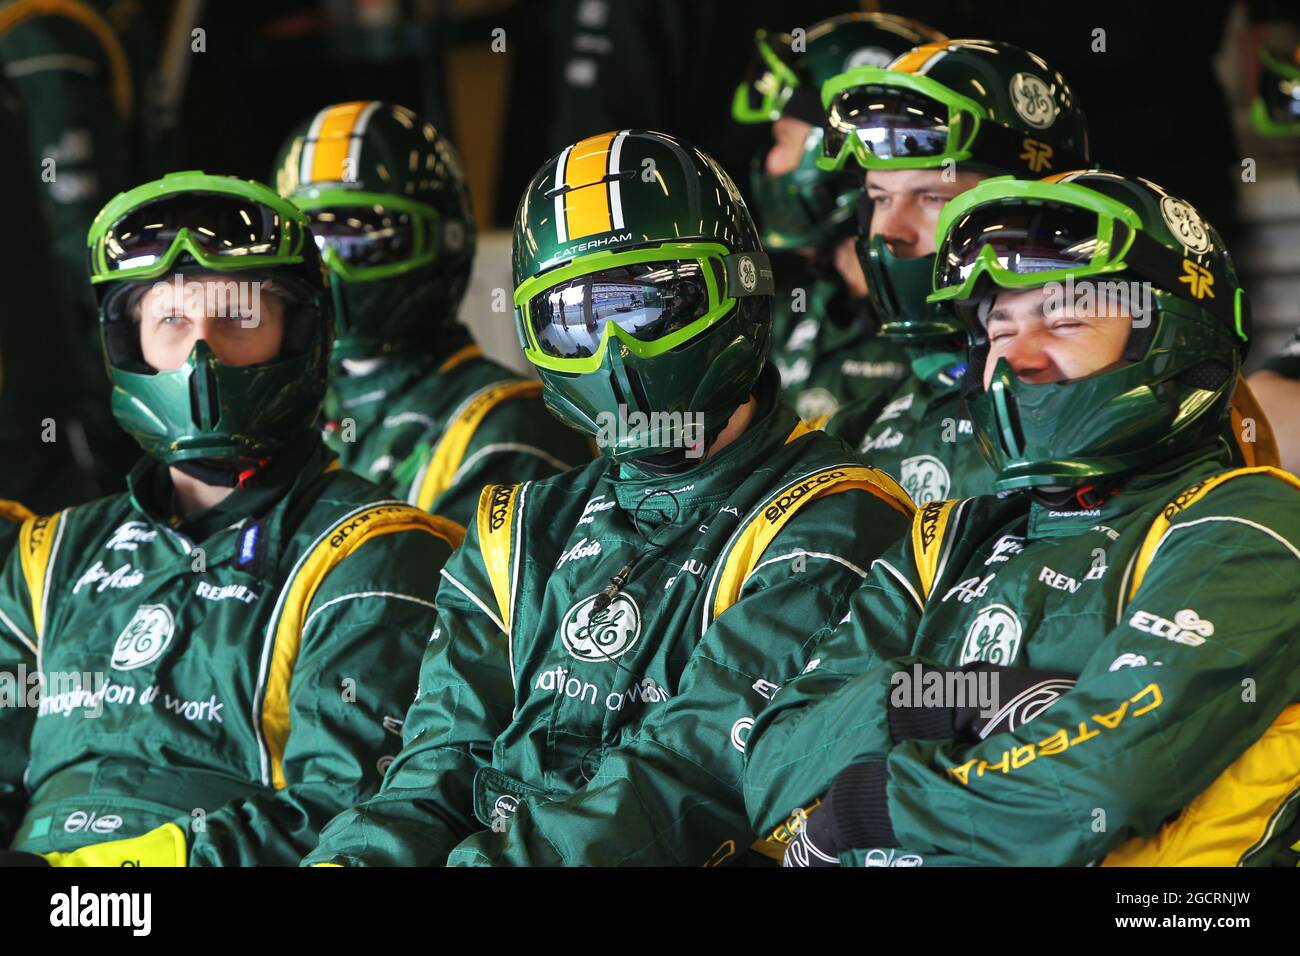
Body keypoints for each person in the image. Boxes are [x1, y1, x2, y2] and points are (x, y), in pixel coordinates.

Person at [303, 130, 914, 867]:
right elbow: (431, 775)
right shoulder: (515, 531)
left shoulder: (836, 515)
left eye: (653, 303)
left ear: (742, 288)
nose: (616, 352)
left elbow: (685, 781)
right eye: (577, 318)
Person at [743, 171, 1300, 867]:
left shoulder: (1250, 521)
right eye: (999, 329)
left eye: (1066, 322)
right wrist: (945, 700)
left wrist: (868, 805)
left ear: (1173, 343)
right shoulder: (944, 540)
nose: (1018, 360)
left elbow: (1104, 779)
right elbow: (772, 765)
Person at [0, 172, 461, 866]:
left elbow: (347, 811)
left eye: (239, 317)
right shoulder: (49, 551)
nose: (201, 354)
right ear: (128, 347)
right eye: (172, 321)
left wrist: (92, 881)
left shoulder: (375, 549)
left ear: (302, 334)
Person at [273, 101, 591, 526]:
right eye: (314, 245)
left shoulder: (508, 425)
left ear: (448, 241)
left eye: (364, 243)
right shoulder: (294, 403)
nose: (334, 270)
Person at [816, 39, 1091, 503]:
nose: (889, 233)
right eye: (880, 198)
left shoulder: (1126, 406)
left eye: (932, 199)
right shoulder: (853, 431)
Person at [731, 12, 944, 423]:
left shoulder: (948, 340)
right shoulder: (781, 316)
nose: (769, 162)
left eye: (782, 140)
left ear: (841, 157)